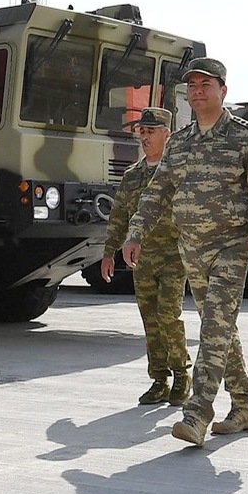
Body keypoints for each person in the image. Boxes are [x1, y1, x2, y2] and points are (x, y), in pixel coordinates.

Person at [122, 58, 248, 446]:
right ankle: (246, 406)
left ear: (223, 90)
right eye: (192, 85)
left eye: (206, 84)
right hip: (192, 250)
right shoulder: (181, 142)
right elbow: (158, 192)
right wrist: (135, 233)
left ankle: (197, 413)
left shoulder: (245, 136)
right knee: (222, 330)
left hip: (233, 245)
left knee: (214, 328)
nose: (198, 90)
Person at [101, 106, 190, 406]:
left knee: (168, 314)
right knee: (150, 319)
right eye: (142, 131)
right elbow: (119, 216)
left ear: (168, 134)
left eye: (151, 131)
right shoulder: (133, 175)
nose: (145, 137)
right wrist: (108, 253)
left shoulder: (179, 171)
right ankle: (159, 379)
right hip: (142, 259)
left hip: (174, 255)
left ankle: (181, 374)